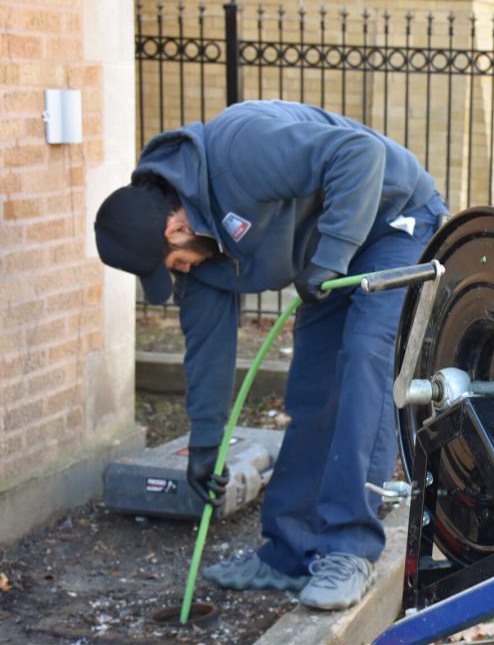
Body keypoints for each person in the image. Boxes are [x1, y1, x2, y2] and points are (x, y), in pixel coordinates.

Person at [94, 100, 449, 610]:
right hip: (331, 249)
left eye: (172, 264)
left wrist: (330, 256)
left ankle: (350, 550)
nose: (179, 274)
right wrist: (206, 444)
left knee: (365, 366)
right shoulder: (200, 254)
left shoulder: (241, 149)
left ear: (174, 230)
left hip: (395, 221)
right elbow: (208, 350)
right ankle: (289, 551)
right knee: (311, 387)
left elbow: (360, 154)